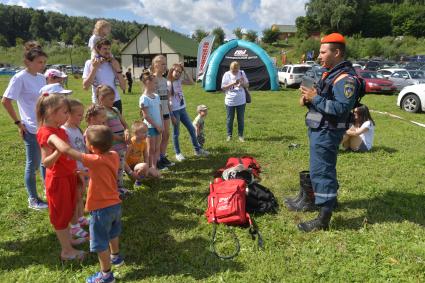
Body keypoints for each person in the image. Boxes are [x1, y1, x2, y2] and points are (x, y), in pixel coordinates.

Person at [297, 33, 360, 232]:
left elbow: (341, 108)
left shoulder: (345, 79)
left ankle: (323, 219)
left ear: (337, 52)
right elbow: (323, 99)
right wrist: (308, 99)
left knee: (321, 171)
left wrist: (315, 98)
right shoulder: (329, 73)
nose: (319, 55)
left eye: (323, 52)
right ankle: (331, 201)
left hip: (328, 130)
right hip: (319, 127)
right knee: (324, 168)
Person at [48, 125, 124, 283]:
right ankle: (116, 258)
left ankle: (106, 276)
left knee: (101, 243)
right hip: (115, 205)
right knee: (113, 233)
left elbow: (68, 151)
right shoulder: (114, 155)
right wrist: (87, 173)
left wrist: (53, 138)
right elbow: (104, 170)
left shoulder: (93, 159)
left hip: (100, 209)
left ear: (91, 147)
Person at [36, 94, 86, 262]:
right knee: (61, 215)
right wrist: (60, 151)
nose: (67, 115)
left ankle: (69, 239)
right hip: (58, 180)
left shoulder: (58, 129)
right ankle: (66, 251)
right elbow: (46, 162)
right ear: (50, 112)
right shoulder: (47, 132)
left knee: (70, 209)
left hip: (69, 176)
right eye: (64, 112)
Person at [1, 41, 48, 210]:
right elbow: (5, 101)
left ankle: (47, 191)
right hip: (31, 129)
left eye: (44, 62)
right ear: (28, 62)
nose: (42, 66)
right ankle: (33, 199)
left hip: (45, 127)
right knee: (33, 164)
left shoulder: (42, 78)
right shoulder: (19, 78)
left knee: (45, 162)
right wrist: (18, 123)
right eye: (39, 62)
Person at [167, 63, 208, 161]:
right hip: (175, 111)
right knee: (176, 133)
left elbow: (192, 82)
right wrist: (171, 115)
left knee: (191, 129)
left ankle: (197, 150)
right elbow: (167, 101)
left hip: (182, 109)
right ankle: (178, 153)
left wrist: (185, 70)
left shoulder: (179, 81)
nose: (177, 73)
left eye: (179, 72)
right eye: (176, 71)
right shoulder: (168, 83)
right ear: (172, 70)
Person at [61, 99, 89, 239]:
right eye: (79, 115)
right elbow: (67, 153)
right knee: (75, 198)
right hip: (74, 171)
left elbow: (82, 147)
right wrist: (76, 170)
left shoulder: (77, 128)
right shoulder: (64, 131)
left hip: (82, 168)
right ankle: (74, 227)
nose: (82, 117)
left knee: (80, 196)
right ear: (68, 115)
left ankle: (80, 218)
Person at [96, 85, 130, 197]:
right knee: (113, 167)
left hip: (121, 144)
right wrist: (121, 139)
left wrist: (126, 132)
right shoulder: (101, 112)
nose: (113, 101)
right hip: (113, 145)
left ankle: (119, 187)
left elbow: (124, 124)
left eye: (114, 98)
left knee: (120, 166)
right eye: (111, 99)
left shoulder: (115, 109)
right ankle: (113, 189)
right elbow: (107, 130)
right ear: (101, 98)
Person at [83, 39, 126, 114]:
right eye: (104, 49)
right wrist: (95, 68)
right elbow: (85, 87)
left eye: (109, 49)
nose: (107, 51)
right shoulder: (90, 63)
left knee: (116, 125)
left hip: (115, 101)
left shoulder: (112, 62)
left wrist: (118, 69)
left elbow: (124, 87)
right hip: (99, 103)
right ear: (98, 49)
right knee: (101, 126)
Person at [152, 55, 175, 169]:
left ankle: (162, 156)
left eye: (165, 64)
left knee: (166, 135)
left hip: (165, 112)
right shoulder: (152, 79)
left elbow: (167, 97)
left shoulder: (165, 80)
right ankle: (156, 161)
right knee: (158, 138)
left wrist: (171, 113)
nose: (165, 66)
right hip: (156, 113)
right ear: (155, 65)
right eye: (162, 64)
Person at [140, 69, 163, 171]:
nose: (156, 85)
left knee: (157, 148)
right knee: (151, 149)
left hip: (158, 126)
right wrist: (156, 126)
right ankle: (149, 168)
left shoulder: (157, 96)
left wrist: (161, 124)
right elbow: (146, 116)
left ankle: (154, 166)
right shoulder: (144, 98)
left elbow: (160, 111)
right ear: (148, 83)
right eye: (155, 83)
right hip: (150, 127)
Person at [221, 61, 249, 142]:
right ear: (230, 69)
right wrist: (233, 83)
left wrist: (242, 83)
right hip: (230, 101)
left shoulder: (242, 73)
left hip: (241, 101)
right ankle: (229, 135)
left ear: (239, 68)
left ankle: (240, 136)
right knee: (230, 119)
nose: (235, 72)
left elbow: (247, 85)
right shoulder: (227, 74)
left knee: (241, 118)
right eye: (233, 70)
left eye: (236, 70)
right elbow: (223, 88)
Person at [125, 121, 159, 186]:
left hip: (138, 165)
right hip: (130, 167)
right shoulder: (131, 143)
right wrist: (130, 172)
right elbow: (124, 159)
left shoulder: (144, 142)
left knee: (156, 174)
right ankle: (137, 181)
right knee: (144, 167)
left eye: (147, 132)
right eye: (143, 132)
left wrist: (147, 168)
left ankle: (142, 177)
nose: (146, 134)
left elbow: (146, 156)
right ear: (136, 133)